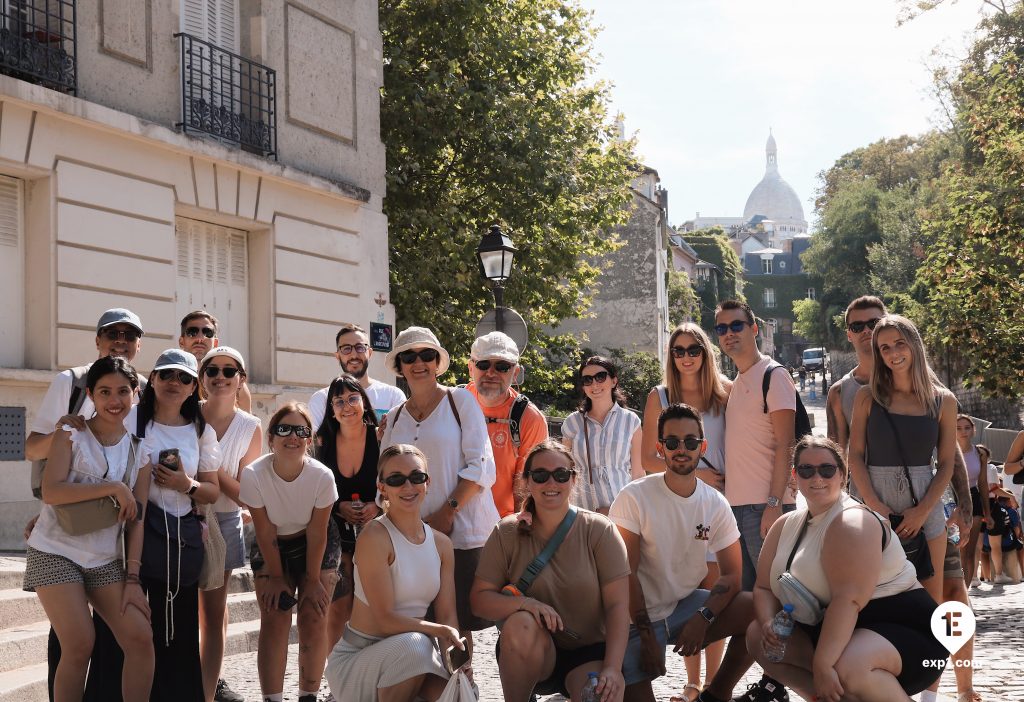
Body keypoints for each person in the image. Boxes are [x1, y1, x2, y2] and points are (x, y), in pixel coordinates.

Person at [746, 436, 947, 702]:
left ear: (842, 474)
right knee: (756, 635)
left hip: (908, 631)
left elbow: (849, 600)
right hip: (842, 631)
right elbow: (762, 586)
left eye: (826, 469)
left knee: (846, 665)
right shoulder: (785, 524)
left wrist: (823, 664)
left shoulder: (852, 520)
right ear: (795, 476)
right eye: (806, 470)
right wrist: (768, 622)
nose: (817, 477)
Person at [25, 307, 144, 702]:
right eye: (105, 392)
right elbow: (53, 489)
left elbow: (135, 518)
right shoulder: (70, 431)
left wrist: (133, 579)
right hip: (56, 550)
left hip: (104, 557)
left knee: (141, 639)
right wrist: (112, 487)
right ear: (90, 395)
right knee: (79, 644)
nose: (115, 399)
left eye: (123, 392)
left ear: (135, 394)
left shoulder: (140, 449)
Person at [613, 404, 766, 702]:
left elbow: (733, 576)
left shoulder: (715, 503)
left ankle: (716, 695)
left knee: (756, 607)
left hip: (683, 606)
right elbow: (624, 575)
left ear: (702, 446)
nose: (681, 449)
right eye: (672, 442)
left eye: (690, 442)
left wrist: (703, 617)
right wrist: (646, 636)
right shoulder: (633, 496)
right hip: (633, 617)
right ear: (660, 448)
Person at [471, 440, 630, 702]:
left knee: (599, 696)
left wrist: (613, 668)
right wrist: (526, 604)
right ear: (527, 482)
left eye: (560, 475)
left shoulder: (600, 531)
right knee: (521, 622)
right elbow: (479, 600)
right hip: (532, 651)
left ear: (573, 479)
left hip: (588, 652)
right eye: (541, 476)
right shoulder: (507, 532)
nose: (551, 483)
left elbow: (618, 607)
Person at [379, 326, 499, 671]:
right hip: (410, 537)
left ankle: (463, 684)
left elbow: (481, 466)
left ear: (438, 362)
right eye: (409, 356)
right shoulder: (395, 419)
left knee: (456, 622)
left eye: (427, 355)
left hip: (461, 533)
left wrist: (448, 511)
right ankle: (429, 685)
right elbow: (384, 479)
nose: (419, 363)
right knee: (418, 620)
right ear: (399, 365)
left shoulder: (460, 402)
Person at [325, 444, 462, 702]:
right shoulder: (374, 536)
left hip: (412, 655)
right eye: (396, 480)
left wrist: (456, 664)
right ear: (382, 487)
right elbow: (386, 620)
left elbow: (447, 614)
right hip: (359, 658)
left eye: (416, 477)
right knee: (417, 646)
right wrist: (441, 631)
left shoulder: (442, 544)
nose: (408, 487)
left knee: (460, 695)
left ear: (427, 482)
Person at [639, 323, 730, 701]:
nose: (687, 356)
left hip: (719, 506)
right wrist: (700, 471)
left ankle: (712, 684)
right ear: (671, 357)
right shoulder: (659, 396)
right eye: (679, 350)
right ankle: (692, 683)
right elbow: (647, 458)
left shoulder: (726, 394)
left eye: (694, 349)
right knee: (690, 590)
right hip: (678, 503)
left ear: (706, 354)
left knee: (715, 594)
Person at [130, 348, 222, 702]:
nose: (174, 382)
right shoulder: (132, 420)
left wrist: (186, 484)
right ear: (152, 379)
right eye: (167, 374)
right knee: (140, 631)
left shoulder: (201, 430)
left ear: (193, 387)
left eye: (184, 377)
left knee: (181, 632)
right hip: (135, 538)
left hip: (181, 542)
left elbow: (211, 491)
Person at [848, 315, 957, 604]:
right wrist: (876, 507)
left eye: (900, 343)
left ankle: (931, 652)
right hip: (873, 500)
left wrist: (922, 510)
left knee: (930, 599)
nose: (894, 353)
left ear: (914, 345)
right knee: (871, 595)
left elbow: (946, 462)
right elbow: (854, 455)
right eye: (884, 348)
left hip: (925, 499)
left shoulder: (943, 401)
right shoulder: (867, 397)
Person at [240, 401, 340, 702]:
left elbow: (317, 530)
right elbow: (265, 529)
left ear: (309, 440)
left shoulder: (322, 476)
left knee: (314, 615)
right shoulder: (253, 474)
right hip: (272, 544)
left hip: (315, 543)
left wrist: (312, 579)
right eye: (284, 429)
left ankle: (308, 694)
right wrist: (274, 575)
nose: (292, 437)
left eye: (301, 430)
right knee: (275, 614)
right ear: (271, 437)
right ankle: (272, 698)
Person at [714, 300, 796, 592]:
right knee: (749, 598)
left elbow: (787, 443)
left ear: (754, 329)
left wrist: (774, 504)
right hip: (736, 507)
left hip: (765, 506)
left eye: (737, 325)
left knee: (773, 595)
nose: (729, 333)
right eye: (722, 328)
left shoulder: (774, 375)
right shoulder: (737, 382)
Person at [197, 347, 263, 702]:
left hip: (223, 520)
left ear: (241, 379)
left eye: (229, 370)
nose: (220, 376)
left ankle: (207, 693)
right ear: (202, 378)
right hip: (181, 520)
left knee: (212, 614)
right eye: (213, 370)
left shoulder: (250, 427)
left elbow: (246, 495)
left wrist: (212, 471)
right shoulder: (185, 415)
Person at [314, 374, 382, 649]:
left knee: (371, 608)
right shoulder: (322, 442)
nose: (347, 406)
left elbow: (396, 481)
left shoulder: (381, 437)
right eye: (338, 401)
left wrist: (377, 506)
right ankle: (337, 683)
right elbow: (315, 488)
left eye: (353, 398)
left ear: (364, 403)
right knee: (338, 610)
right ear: (331, 409)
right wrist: (338, 506)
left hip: (378, 533)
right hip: (336, 533)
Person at [465, 331, 548, 517]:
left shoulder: (529, 418)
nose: (491, 373)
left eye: (502, 366)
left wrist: (516, 532)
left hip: (500, 527)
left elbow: (527, 484)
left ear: (515, 372)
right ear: (471, 368)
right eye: (483, 364)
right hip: (453, 522)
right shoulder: (453, 404)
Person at [561, 355, 643, 515]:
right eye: (587, 379)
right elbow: (563, 471)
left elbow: (638, 474)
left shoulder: (631, 421)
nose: (594, 384)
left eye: (600, 377)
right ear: (583, 387)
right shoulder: (572, 423)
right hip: (583, 508)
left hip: (622, 509)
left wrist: (640, 510)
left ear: (614, 381)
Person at [309, 324, 406, 427]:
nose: (354, 355)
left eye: (360, 348)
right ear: (338, 356)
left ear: (369, 353)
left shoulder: (393, 396)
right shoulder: (321, 399)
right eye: (346, 349)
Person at [826, 296, 887, 452]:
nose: (867, 330)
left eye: (874, 323)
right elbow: (837, 456)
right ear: (849, 335)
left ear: (887, 326)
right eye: (857, 326)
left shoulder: (913, 378)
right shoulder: (839, 393)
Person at [178, 310, 251, 414]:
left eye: (207, 332)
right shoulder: (170, 377)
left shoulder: (232, 381)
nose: (200, 338)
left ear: (215, 342)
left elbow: (247, 425)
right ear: (181, 341)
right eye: (192, 332)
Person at [955, 414, 992, 587]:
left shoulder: (980, 453)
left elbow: (983, 484)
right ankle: (954, 591)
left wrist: (988, 513)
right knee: (956, 552)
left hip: (973, 497)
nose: (963, 432)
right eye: (958, 428)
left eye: (967, 428)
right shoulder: (947, 450)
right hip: (953, 499)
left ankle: (965, 593)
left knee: (969, 552)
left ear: (973, 430)